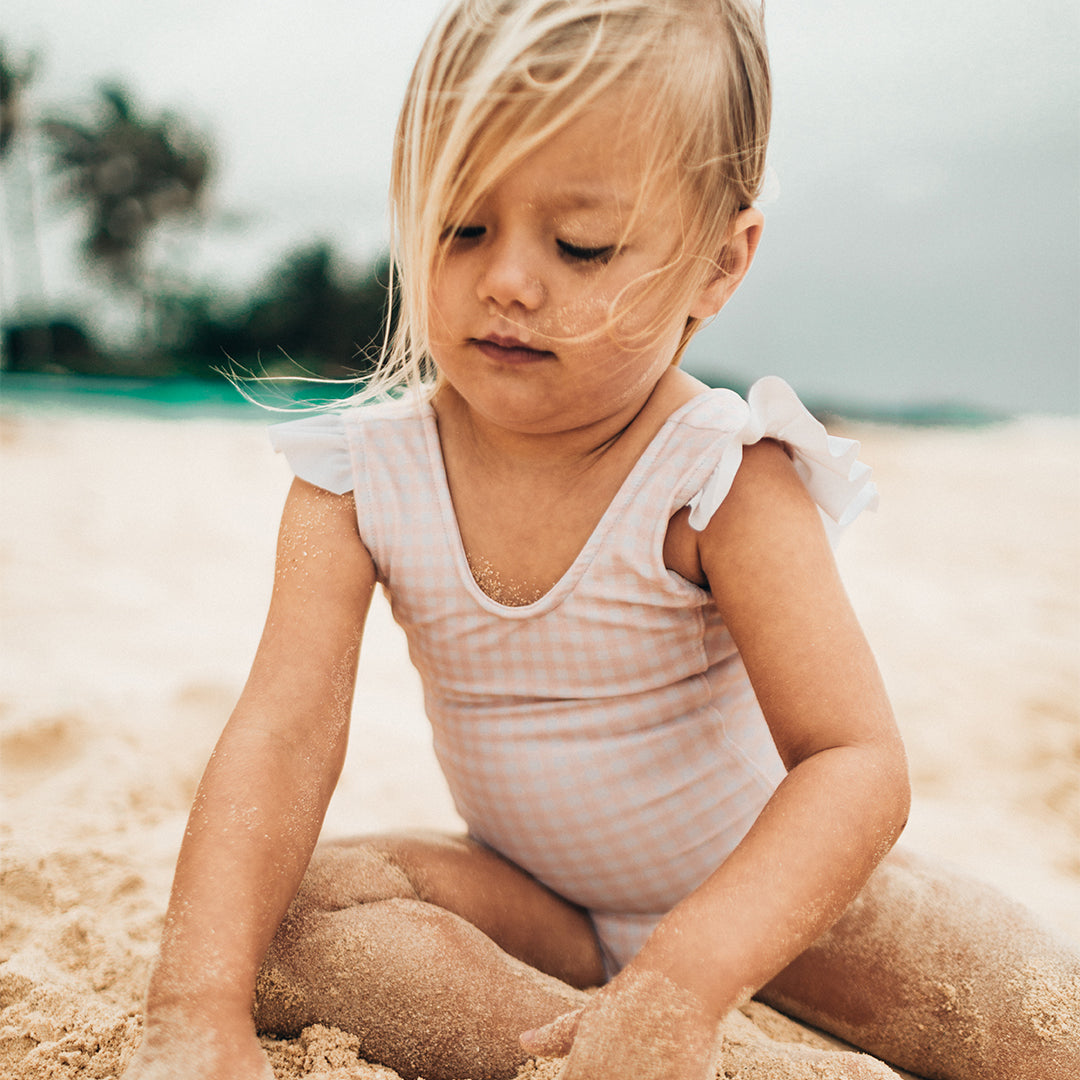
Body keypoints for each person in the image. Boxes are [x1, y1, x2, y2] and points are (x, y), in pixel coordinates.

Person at [124, 2, 1080, 1079]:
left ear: (719, 265)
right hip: (539, 907)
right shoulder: (358, 478)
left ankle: (663, 1032)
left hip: (772, 910)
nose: (509, 280)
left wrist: (685, 978)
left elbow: (854, 765)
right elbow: (284, 735)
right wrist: (194, 1007)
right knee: (289, 924)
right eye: (461, 227)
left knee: (1029, 1015)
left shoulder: (718, 475)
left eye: (580, 245)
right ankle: (636, 1058)